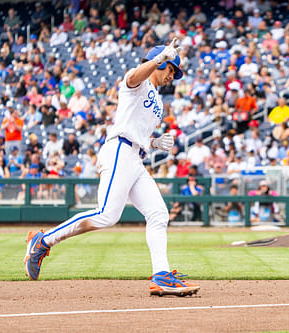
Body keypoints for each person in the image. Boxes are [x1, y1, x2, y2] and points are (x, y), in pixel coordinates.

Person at [23, 39, 200, 296]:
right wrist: (159, 59)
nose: (172, 76)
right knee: (107, 215)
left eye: (173, 72)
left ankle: (161, 275)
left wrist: (154, 141)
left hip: (135, 157)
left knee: (159, 214)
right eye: (171, 69)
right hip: (119, 151)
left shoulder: (159, 103)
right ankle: (43, 240)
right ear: (159, 64)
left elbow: (135, 129)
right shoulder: (136, 83)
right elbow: (133, 77)